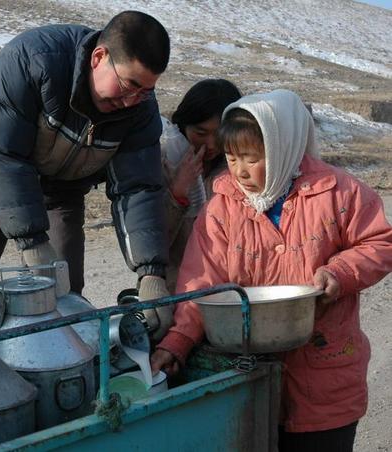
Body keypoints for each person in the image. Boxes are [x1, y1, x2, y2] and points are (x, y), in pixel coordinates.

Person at [150, 89, 392, 451]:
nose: (240, 171)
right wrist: (178, 341)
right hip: (249, 376)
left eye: (252, 157)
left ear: (283, 147)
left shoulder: (338, 193)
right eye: (232, 158)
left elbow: (380, 243)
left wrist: (340, 273)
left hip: (324, 375)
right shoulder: (222, 208)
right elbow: (202, 281)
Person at [0, 11, 172, 312]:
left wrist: (151, 273)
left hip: (61, 189)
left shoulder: (141, 108)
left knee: (64, 299)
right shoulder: (31, 60)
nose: (131, 100)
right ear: (98, 57)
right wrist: (32, 241)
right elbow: (1, 153)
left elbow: (138, 188)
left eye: (145, 90)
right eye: (128, 86)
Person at [160, 79, 242, 293]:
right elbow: (152, 244)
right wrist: (177, 192)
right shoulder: (164, 163)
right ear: (183, 125)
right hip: (177, 290)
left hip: (231, 290)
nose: (212, 145)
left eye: (220, 134)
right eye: (201, 133)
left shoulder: (241, 169)